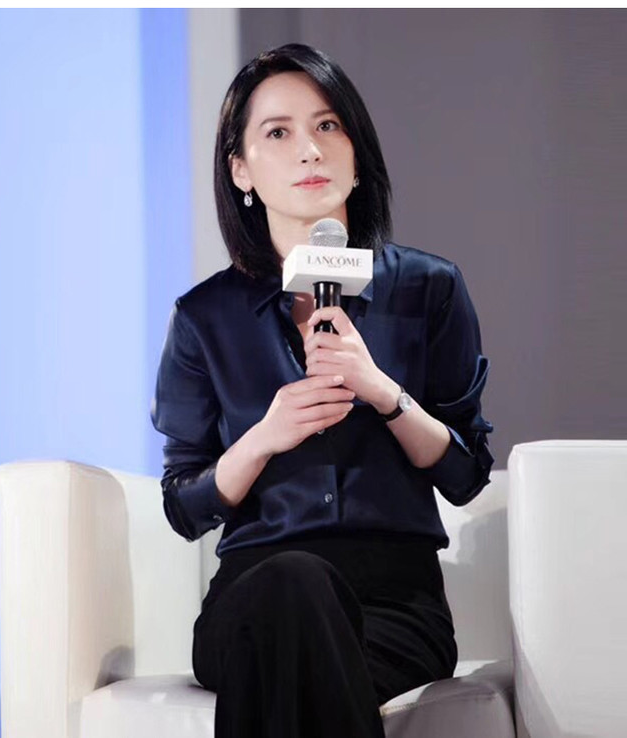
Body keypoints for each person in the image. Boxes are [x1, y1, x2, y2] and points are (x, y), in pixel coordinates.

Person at [151, 43, 494, 738]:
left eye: (328, 125)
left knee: (289, 668)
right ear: (241, 171)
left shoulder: (429, 289)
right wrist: (263, 438)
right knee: (293, 588)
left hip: (394, 608)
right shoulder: (204, 317)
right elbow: (184, 507)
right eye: (278, 132)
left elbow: (466, 475)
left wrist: (384, 393)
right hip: (253, 595)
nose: (309, 149)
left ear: (356, 156)